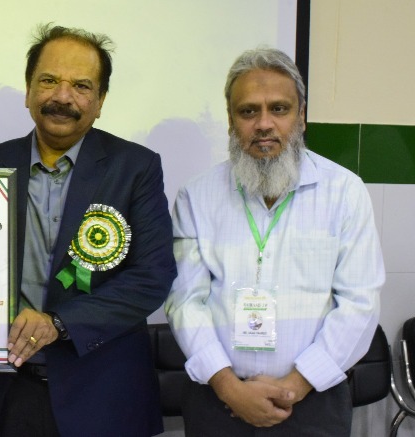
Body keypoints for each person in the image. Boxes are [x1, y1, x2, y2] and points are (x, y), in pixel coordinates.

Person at [0, 24, 177, 436]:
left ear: (101, 100)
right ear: (29, 90)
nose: (62, 96)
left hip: (102, 397)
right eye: (49, 81)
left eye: (81, 85)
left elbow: (152, 277)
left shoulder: (135, 168)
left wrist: (58, 321)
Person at [164, 47, 385, 436]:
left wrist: (295, 385)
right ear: (231, 120)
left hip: (314, 403)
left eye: (279, 109)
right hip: (218, 402)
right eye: (248, 111)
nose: (264, 124)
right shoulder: (196, 196)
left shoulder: (344, 192)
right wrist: (230, 388)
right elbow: (185, 301)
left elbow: (359, 304)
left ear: (300, 116)